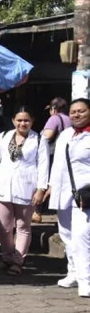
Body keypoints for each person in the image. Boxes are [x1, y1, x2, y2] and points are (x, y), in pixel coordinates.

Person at [0, 106, 49, 276]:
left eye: (27, 120)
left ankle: (18, 260)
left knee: (23, 226)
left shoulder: (38, 140)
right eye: (20, 120)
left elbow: (44, 166)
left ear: (32, 122)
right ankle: (7, 257)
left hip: (26, 188)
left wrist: (41, 189)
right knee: (4, 227)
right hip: (3, 187)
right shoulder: (4, 136)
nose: (23, 123)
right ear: (14, 120)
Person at [47, 97, 90, 297]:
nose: (76, 115)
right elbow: (58, 164)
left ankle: (85, 280)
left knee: (82, 236)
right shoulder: (65, 134)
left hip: (84, 195)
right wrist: (50, 186)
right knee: (67, 235)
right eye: (73, 111)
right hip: (63, 192)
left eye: (81, 111)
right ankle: (73, 271)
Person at [36, 97, 72, 222]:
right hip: (66, 156)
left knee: (45, 182)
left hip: (52, 155)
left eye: (50, 108)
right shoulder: (70, 119)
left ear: (54, 108)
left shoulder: (55, 118)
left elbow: (48, 136)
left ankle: (37, 212)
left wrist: (39, 136)